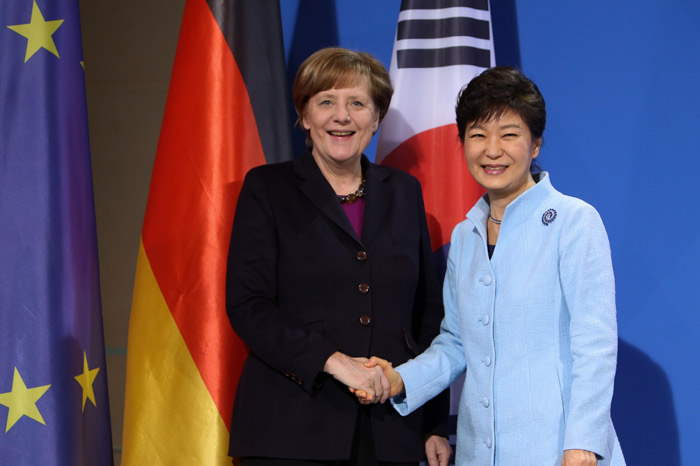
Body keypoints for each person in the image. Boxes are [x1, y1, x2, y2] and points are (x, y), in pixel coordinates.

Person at [357, 67, 626, 466]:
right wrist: (399, 379)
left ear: (536, 145)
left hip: (558, 450)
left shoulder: (574, 221)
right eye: (478, 135)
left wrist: (583, 443)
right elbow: (456, 342)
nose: (492, 149)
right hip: (479, 450)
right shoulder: (466, 234)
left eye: (510, 134)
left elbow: (595, 345)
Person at [225, 47, 451, 466]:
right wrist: (331, 361)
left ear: (377, 117)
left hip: (390, 430)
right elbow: (248, 307)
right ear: (305, 116)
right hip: (289, 429)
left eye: (358, 103)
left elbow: (427, 315)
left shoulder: (405, 192)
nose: (342, 116)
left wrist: (434, 422)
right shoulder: (267, 189)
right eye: (326, 101)